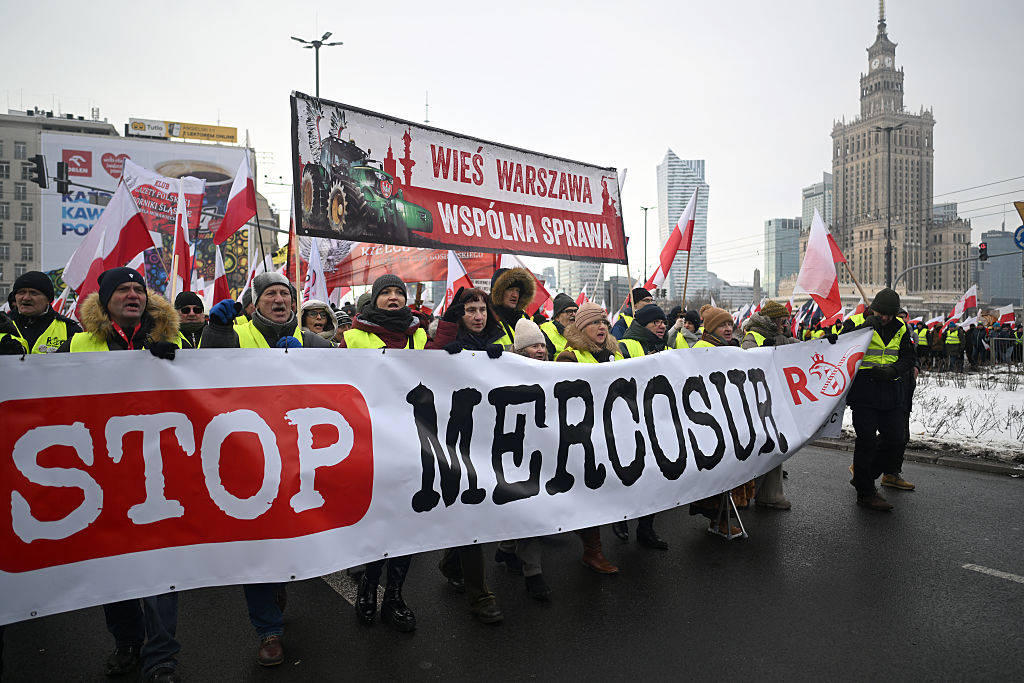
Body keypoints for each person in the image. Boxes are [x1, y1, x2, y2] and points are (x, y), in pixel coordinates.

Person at [200, 272, 332, 666]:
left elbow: (336, 388)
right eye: (270, 293)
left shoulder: (312, 340)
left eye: (285, 294)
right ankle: (268, 630)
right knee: (257, 544)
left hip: (300, 461)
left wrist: (306, 360)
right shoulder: (233, 332)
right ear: (255, 303)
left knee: (295, 536)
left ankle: (282, 576)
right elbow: (211, 375)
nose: (279, 299)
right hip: (250, 459)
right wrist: (216, 330)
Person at [61, 267, 181, 683]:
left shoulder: (172, 339)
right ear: (106, 298)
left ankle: (162, 657)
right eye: (123, 289)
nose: (132, 295)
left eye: (139, 289)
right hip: (105, 474)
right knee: (116, 568)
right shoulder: (78, 343)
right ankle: (127, 642)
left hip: (159, 476)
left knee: (161, 567)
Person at [342, 274, 457, 632]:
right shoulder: (351, 336)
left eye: (398, 292)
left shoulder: (419, 334)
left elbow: (436, 376)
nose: (393, 298)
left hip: (413, 440)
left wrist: (451, 350)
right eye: (386, 293)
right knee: (378, 520)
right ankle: (368, 588)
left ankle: (394, 595)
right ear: (374, 299)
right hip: (371, 443)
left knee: (406, 524)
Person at [436, 287, 506, 622]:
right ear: (458, 315)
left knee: (486, 512)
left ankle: (452, 562)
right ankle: (480, 597)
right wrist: (442, 351)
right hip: (456, 441)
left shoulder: (498, 345)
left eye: (482, 309)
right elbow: (419, 371)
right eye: (470, 310)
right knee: (472, 513)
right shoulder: (445, 343)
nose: (478, 316)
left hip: (490, 440)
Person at [555, 302, 622, 573]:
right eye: (595, 322)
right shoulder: (568, 357)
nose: (602, 327)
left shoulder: (615, 354)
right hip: (582, 437)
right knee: (588, 491)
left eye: (604, 322)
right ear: (582, 327)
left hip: (611, 432)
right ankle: (593, 551)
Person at [843, 288, 916, 511]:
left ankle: (865, 474)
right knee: (865, 441)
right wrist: (865, 328)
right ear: (872, 308)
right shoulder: (855, 321)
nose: (884, 318)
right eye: (880, 313)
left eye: (888, 315)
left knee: (895, 438)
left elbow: (908, 358)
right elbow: (840, 345)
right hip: (864, 391)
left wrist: (893, 370)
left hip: (891, 390)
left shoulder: (901, 327)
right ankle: (866, 493)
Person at [611, 304, 670, 549]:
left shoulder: (667, 349)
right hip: (630, 422)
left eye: (663, 322)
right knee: (629, 474)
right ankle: (621, 518)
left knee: (655, 478)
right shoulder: (626, 346)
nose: (661, 325)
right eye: (655, 321)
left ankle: (646, 528)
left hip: (658, 421)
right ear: (643, 324)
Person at [688, 305, 749, 536]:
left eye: (729, 324)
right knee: (717, 473)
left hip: (727, 417)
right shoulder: (703, 349)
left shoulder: (727, 348)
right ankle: (719, 520)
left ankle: (720, 519)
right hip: (711, 421)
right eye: (722, 325)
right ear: (711, 328)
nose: (728, 328)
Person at [740, 300, 800, 510]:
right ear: (773, 321)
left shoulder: (781, 337)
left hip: (775, 400)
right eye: (783, 321)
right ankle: (747, 492)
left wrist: (824, 343)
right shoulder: (752, 337)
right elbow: (747, 365)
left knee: (777, 445)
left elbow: (799, 348)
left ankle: (770, 494)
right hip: (758, 403)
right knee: (760, 448)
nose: (786, 324)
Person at [9, 270, 81, 353]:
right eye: (21, 292)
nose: (26, 298)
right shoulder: (2, 325)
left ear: (48, 300)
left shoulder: (70, 329)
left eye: (33, 293)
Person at [490, 267, 536, 346]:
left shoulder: (525, 318)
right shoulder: (487, 317)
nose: (515, 295)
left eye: (517, 291)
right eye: (510, 289)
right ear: (499, 292)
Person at [539, 293, 577, 359]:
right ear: (557, 317)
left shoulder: (581, 332)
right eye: (569, 311)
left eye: (576, 311)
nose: (574, 314)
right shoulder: (546, 334)